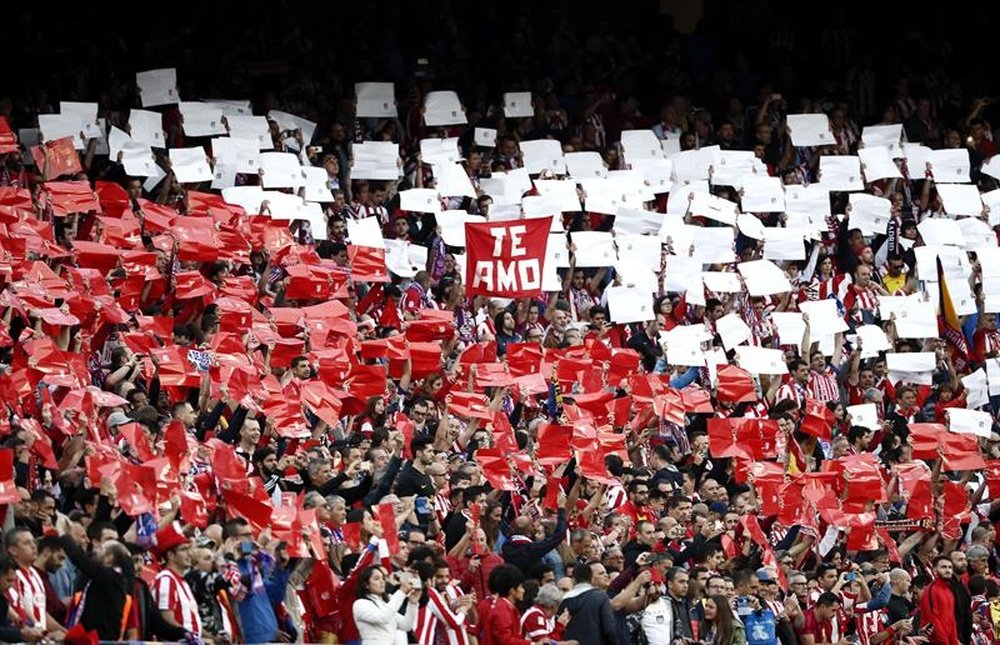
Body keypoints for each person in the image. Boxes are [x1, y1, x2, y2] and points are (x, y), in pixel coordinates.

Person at [352, 566, 420, 643]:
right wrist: (402, 591)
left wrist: (412, 604)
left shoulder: (384, 604)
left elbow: (406, 626)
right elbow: (382, 618)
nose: (382, 581)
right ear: (366, 584)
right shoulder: (360, 604)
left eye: (383, 578)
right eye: (377, 579)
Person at [558, 562, 618, 645]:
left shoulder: (563, 600)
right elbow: (609, 629)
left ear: (573, 580)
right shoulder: (600, 597)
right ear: (591, 578)